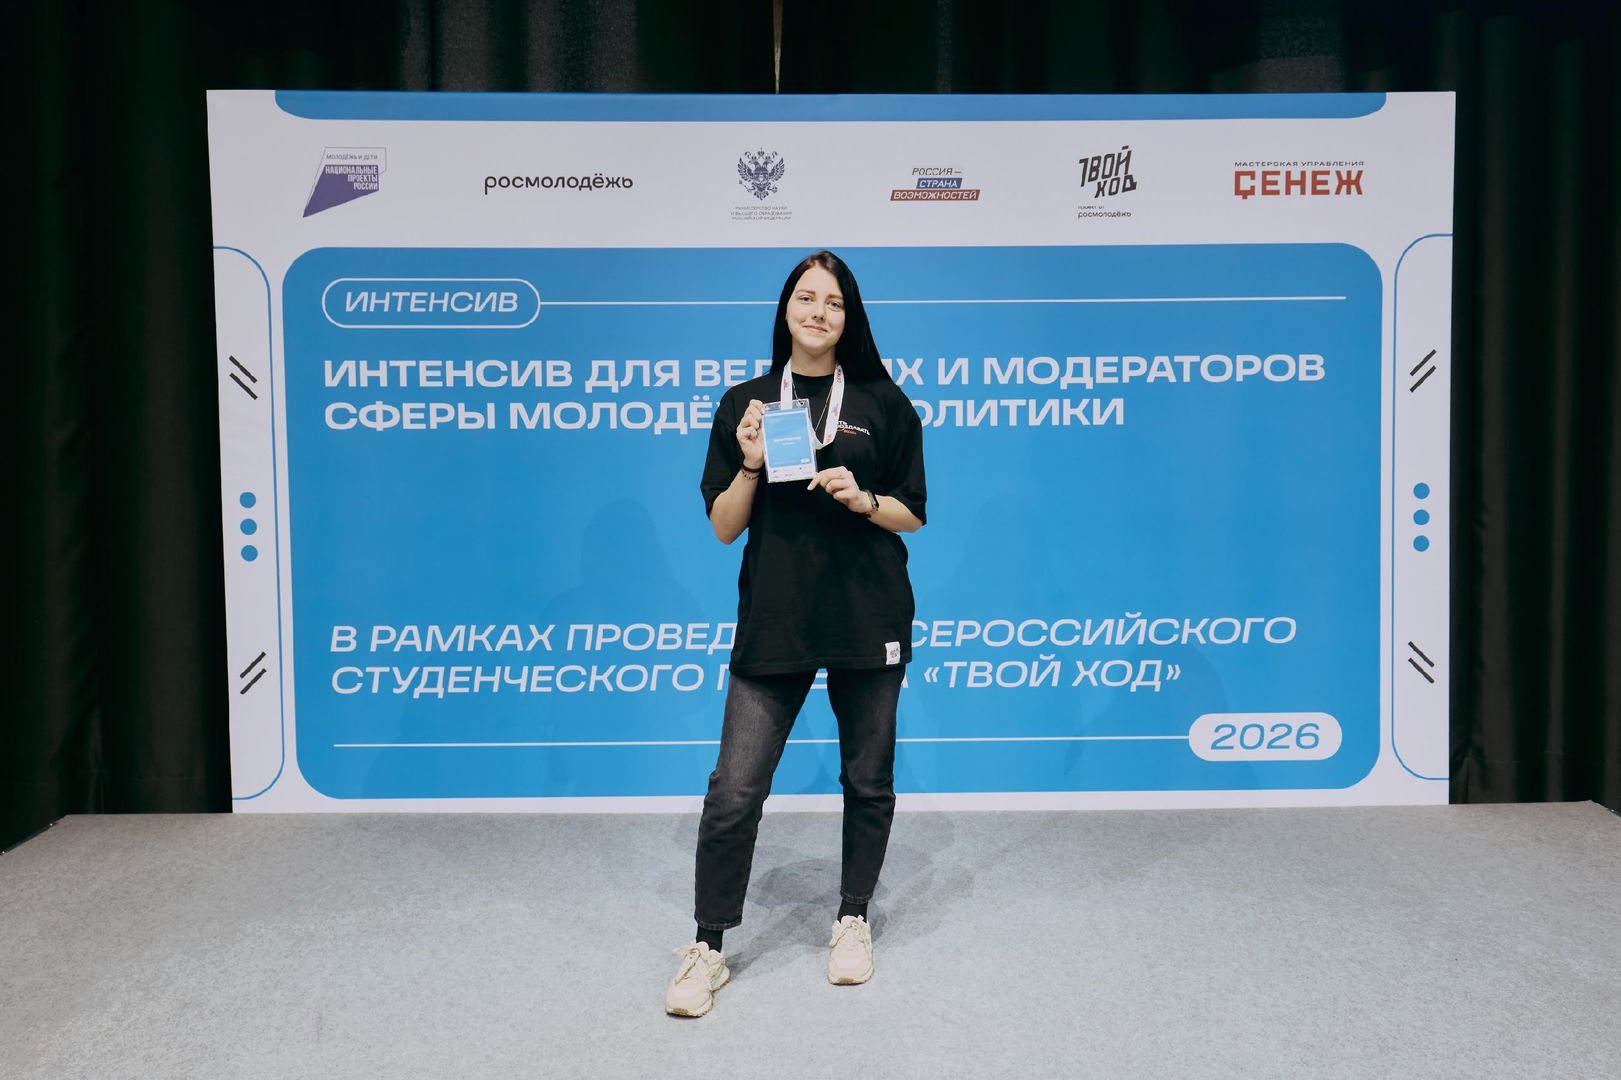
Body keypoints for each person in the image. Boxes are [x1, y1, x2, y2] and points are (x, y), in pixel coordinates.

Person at [665, 251, 927, 1017]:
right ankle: (707, 947)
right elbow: (723, 527)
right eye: (806, 298)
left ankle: (852, 919)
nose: (818, 312)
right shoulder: (744, 403)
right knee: (733, 791)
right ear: (785, 310)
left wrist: (862, 498)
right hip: (776, 616)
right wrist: (749, 465)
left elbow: (912, 512)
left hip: (867, 613)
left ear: (850, 318)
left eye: (833, 302)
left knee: (867, 780)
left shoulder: (884, 402)